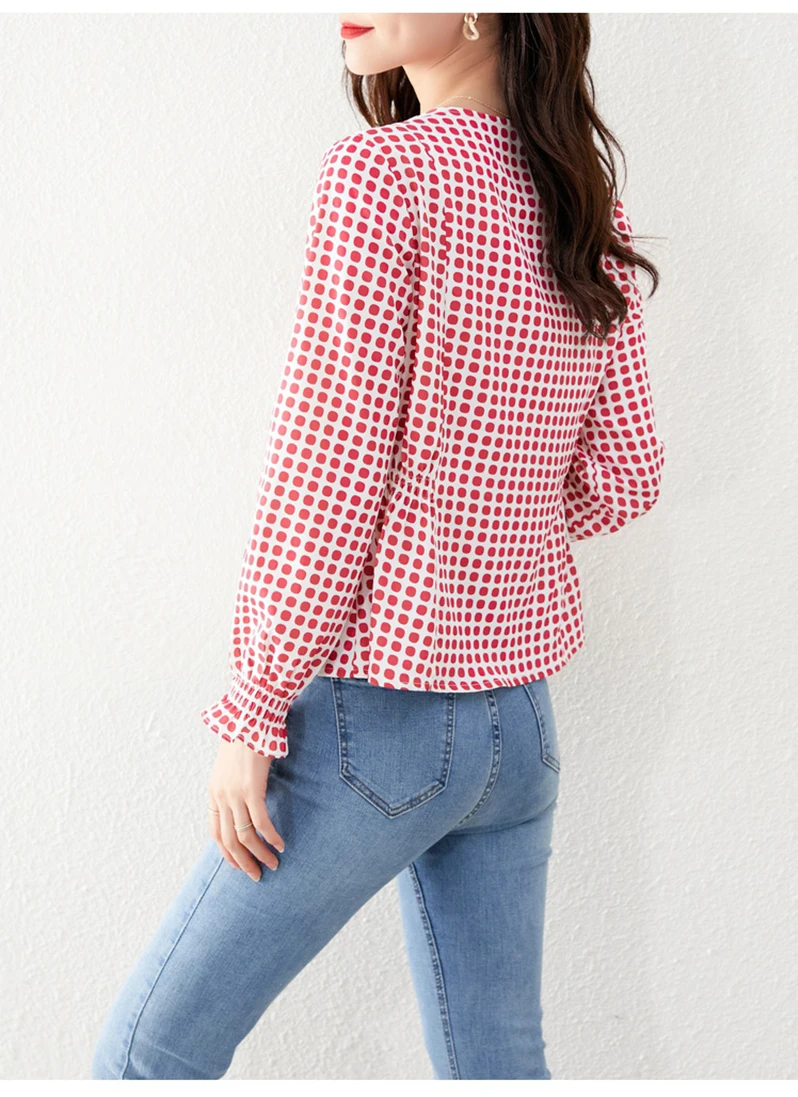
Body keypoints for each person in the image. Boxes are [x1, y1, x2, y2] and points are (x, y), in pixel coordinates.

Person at [91, 12, 666, 1081]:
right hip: (519, 726)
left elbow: (329, 466)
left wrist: (255, 702)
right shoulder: (582, 197)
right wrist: (490, 528)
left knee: (144, 1056)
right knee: (496, 1063)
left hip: (379, 721)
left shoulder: (383, 176)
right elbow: (624, 472)